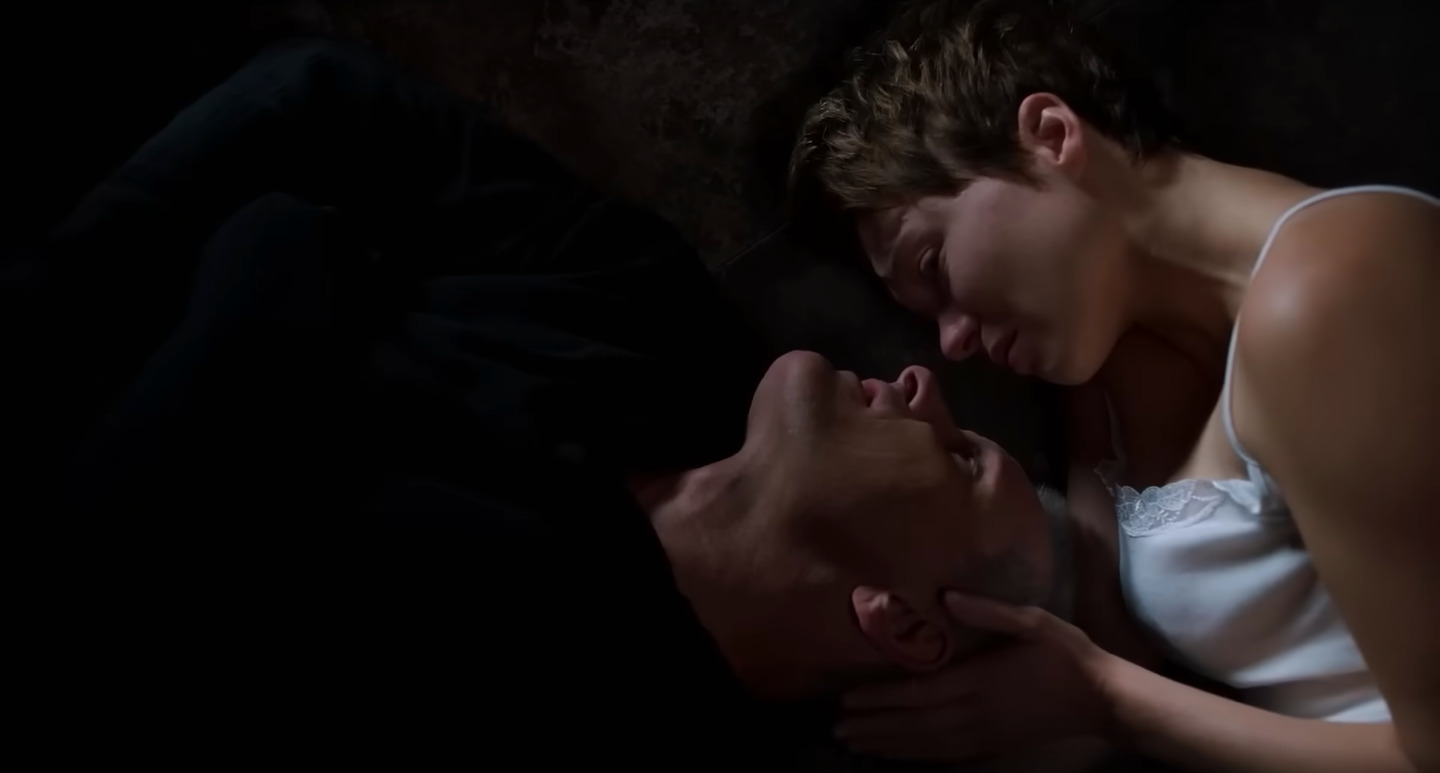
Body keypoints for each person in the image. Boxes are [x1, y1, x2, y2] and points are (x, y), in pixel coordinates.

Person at [9, 37, 1074, 768]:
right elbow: (323, 100)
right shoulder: (656, 322)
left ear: (903, 623)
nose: (929, 383)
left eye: (963, 458)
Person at [791, 0, 1440, 771]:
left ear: (1050, 135)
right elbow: (1112, 638)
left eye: (935, 266)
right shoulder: (1103, 350)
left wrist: (1107, 698)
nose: (952, 341)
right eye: (926, 316)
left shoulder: (1335, 290)